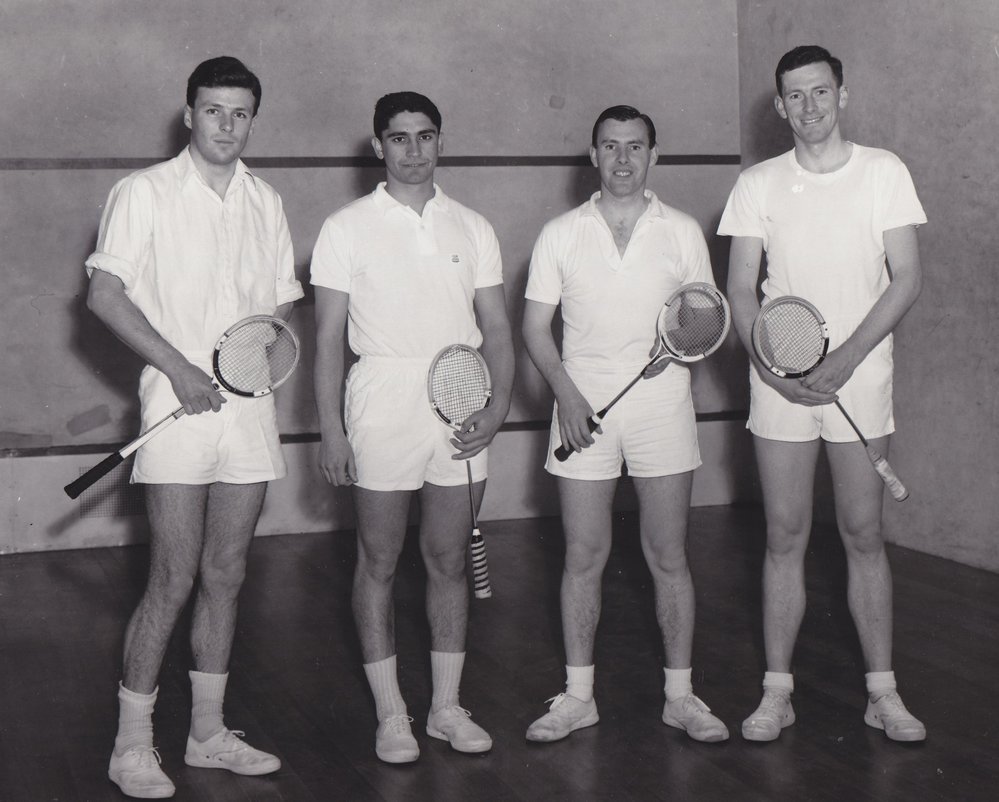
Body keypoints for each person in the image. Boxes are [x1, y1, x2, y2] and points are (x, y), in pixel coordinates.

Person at [85, 57, 303, 798]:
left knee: (226, 575)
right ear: (189, 114)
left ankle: (207, 735)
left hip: (249, 414)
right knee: (172, 578)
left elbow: (277, 314)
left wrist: (251, 365)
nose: (226, 125)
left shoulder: (265, 199)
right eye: (213, 110)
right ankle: (132, 744)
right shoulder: (142, 192)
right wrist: (180, 370)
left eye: (240, 113)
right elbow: (105, 296)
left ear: (252, 119)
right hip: (172, 411)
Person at [718, 45, 926, 742]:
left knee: (863, 534)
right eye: (793, 97)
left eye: (819, 92)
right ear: (778, 106)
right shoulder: (757, 184)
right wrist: (769, 365)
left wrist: (843, 361)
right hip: (776, 381)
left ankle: (881, 692)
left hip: (859, 377)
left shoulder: (883, 172)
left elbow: (904, 278)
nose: (807, 107)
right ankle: (776, 693)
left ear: (842, 93)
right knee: (783, 534)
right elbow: (741, 289)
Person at [311, 92, 514, 764]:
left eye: (424, 136)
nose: (413, 150)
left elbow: (499, 333)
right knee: (377, 560)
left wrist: (498, 407)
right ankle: (392, 713)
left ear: (439, 140)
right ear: (378, 146)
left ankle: (446, 707)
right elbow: (323, 340)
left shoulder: (473, 226)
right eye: (398, 138)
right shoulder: (345, 228)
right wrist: (332, 432)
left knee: (449, 560)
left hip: (459, 397)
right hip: (379, 399)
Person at [521, 105, 730, 744]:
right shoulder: (559, 233)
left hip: (662, 408)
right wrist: (569, 397)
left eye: (634, 147)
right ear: (593, 155)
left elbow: (705, 319)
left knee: (668, 556)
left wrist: (680, 344)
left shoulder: (684, 231)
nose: (622, 159)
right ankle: (579, 697)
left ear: (653, 157)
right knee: (583, 555)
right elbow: (535, 327)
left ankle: (680, 695)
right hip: (579, 409)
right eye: (610, 147)